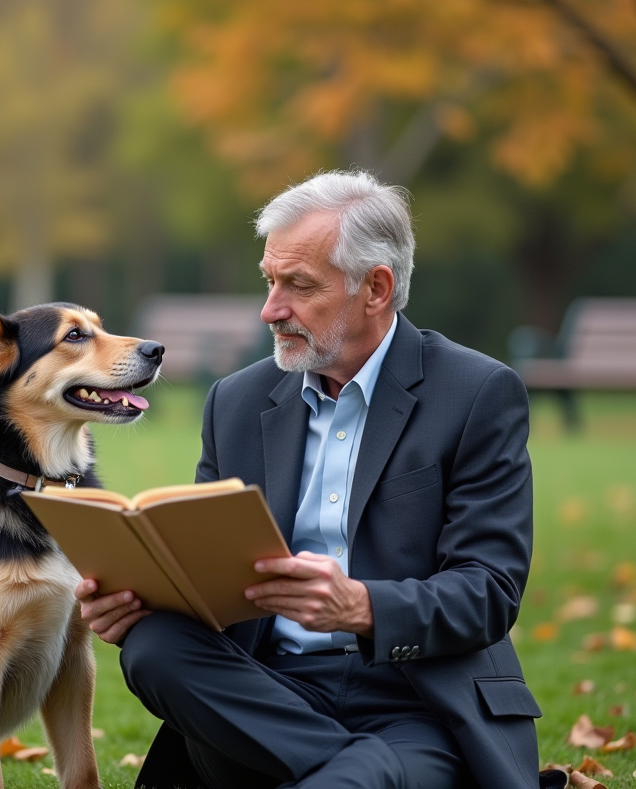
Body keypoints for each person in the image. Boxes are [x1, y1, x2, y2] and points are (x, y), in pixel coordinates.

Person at [76, 170, 563, 789]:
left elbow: (488, 591)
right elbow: (204, 574)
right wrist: (137, 604)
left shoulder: (475, 393)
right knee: (156, 649)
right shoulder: (237, 401)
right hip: (262, 694)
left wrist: (361, 607)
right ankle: (361, 771)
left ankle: (361, 771)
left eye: (299, 286)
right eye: (270, 281)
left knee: (365, 771)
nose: (270, 309)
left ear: (376, 289)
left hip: (414, 699)